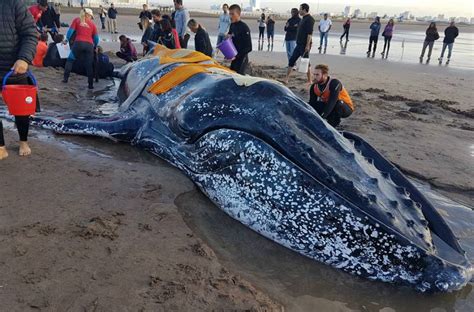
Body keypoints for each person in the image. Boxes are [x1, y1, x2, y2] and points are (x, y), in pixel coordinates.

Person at [0, 0, 38, 159]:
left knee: (21, 111)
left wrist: (24, 59)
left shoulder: (14, 3)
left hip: (14, 69)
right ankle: (1, 147)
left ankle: (23, 141)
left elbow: (30, 33)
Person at [63, 8, 99, 89]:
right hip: (89, 45)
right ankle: (90, 85)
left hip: (78, 43)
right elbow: (96, 39)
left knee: (70, 60)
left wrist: (67, 40)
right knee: (89, 65)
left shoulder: (77, 20)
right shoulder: (93, 25)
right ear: (88, 15)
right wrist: (95, 45)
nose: (91, 18)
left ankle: (65, 79)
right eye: (91, 17)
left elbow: (70, 32)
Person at [285, 3, 315, 84]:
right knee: (291, 60)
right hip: (298, 44)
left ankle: (310, 80)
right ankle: (286, 79)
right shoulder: (303, 19)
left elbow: (310, 34)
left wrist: (307, 45)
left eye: (300, 9)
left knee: (306, 62)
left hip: (304, 45)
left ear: (305, 10)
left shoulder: (310, 19)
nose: (299, 11)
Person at [227, 4, 252, 74]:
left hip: (242, 58)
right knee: (231, 76)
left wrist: (236, 56)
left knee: (238, 79)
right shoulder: (232, 25)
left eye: (232, 14)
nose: (230, 16)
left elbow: (249, 47)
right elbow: (230, 37)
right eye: (230, 14)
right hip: (234, 57)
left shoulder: (244, 28)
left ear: (238, 14)